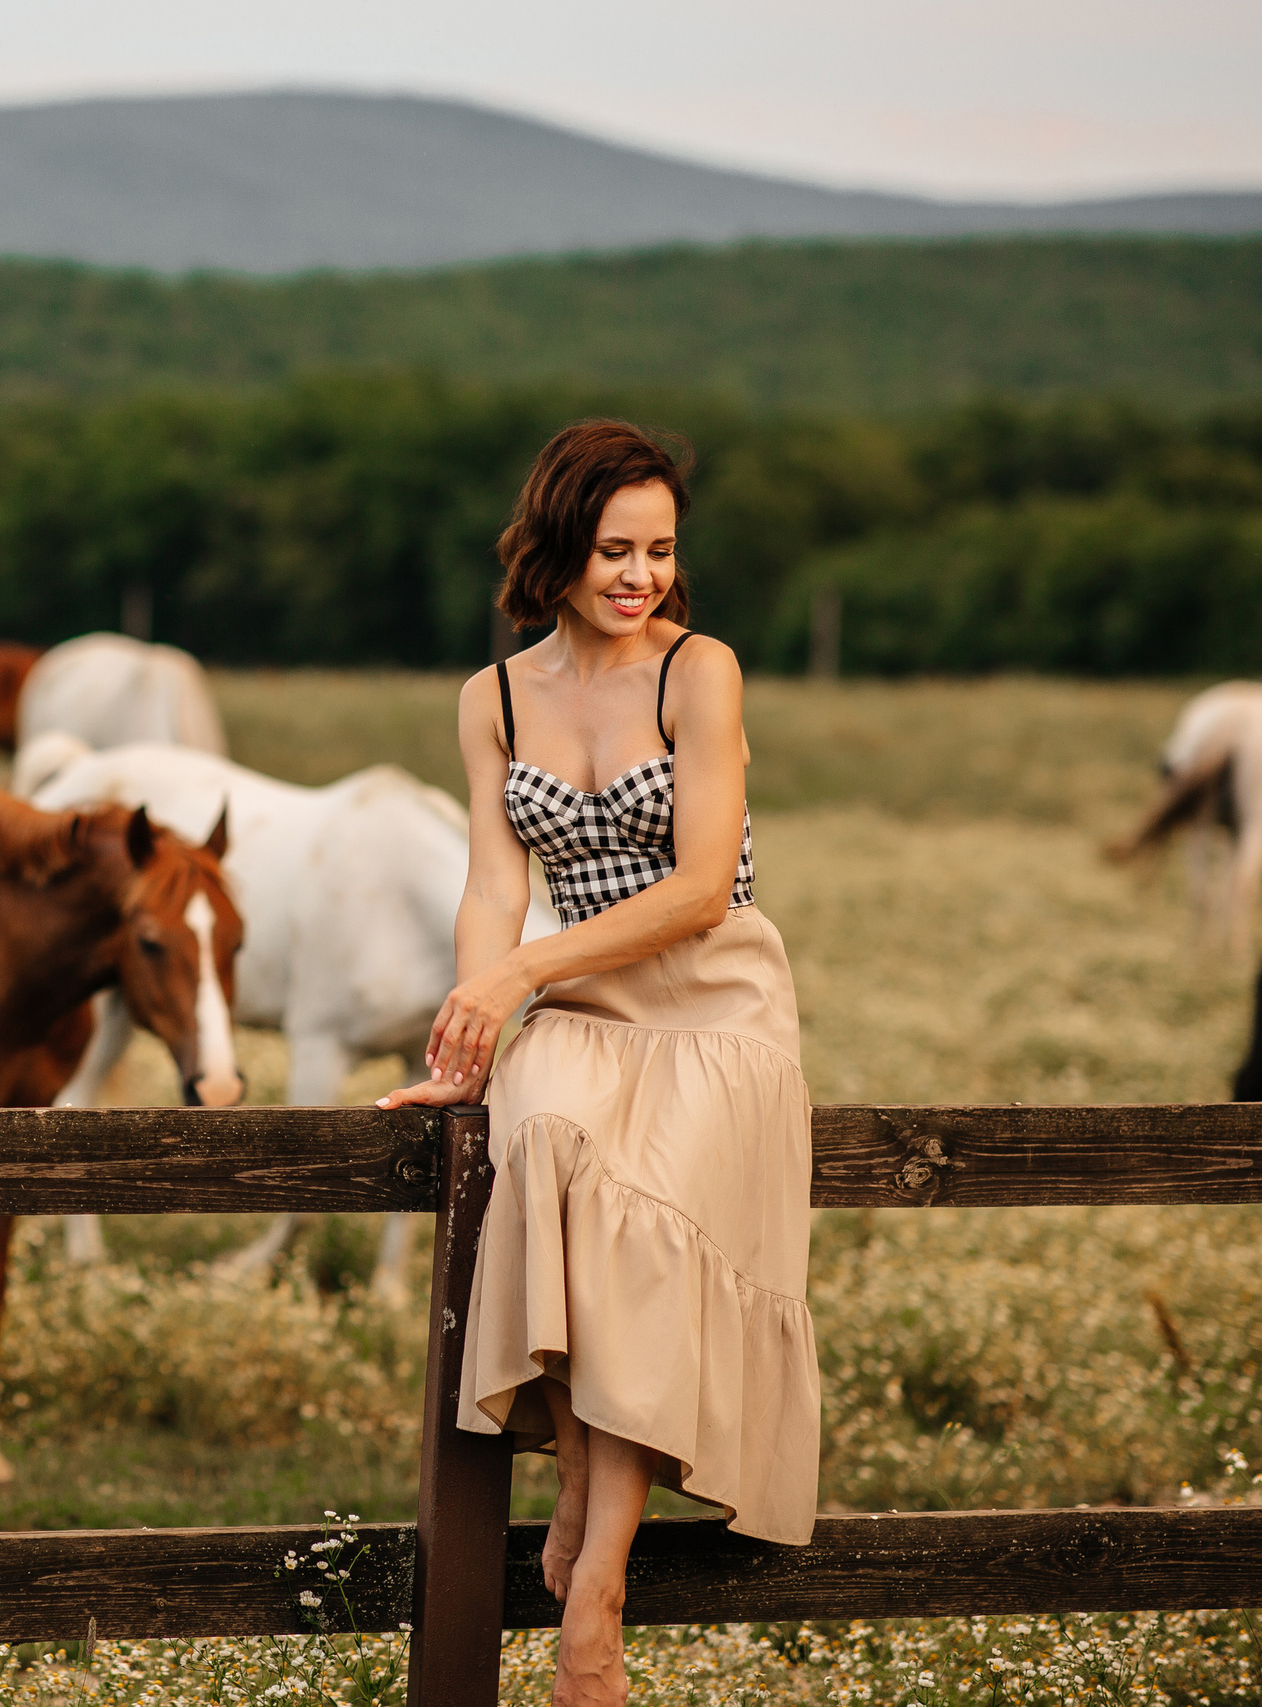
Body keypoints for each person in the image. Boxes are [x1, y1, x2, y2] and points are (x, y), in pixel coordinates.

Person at [381, 420, 819, 1707]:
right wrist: (472, 1030)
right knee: (546, 1148)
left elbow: (698, 889)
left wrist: (519, 972)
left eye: (660, 551)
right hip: (575, 1011)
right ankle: (578, 1484)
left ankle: (596, 1593)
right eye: (615, 550)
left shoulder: (698, 670)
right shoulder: (493, 696)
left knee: (639, 1218)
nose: (640, 576)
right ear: (559, 545)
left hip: (714, 1004)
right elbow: (491, 883)